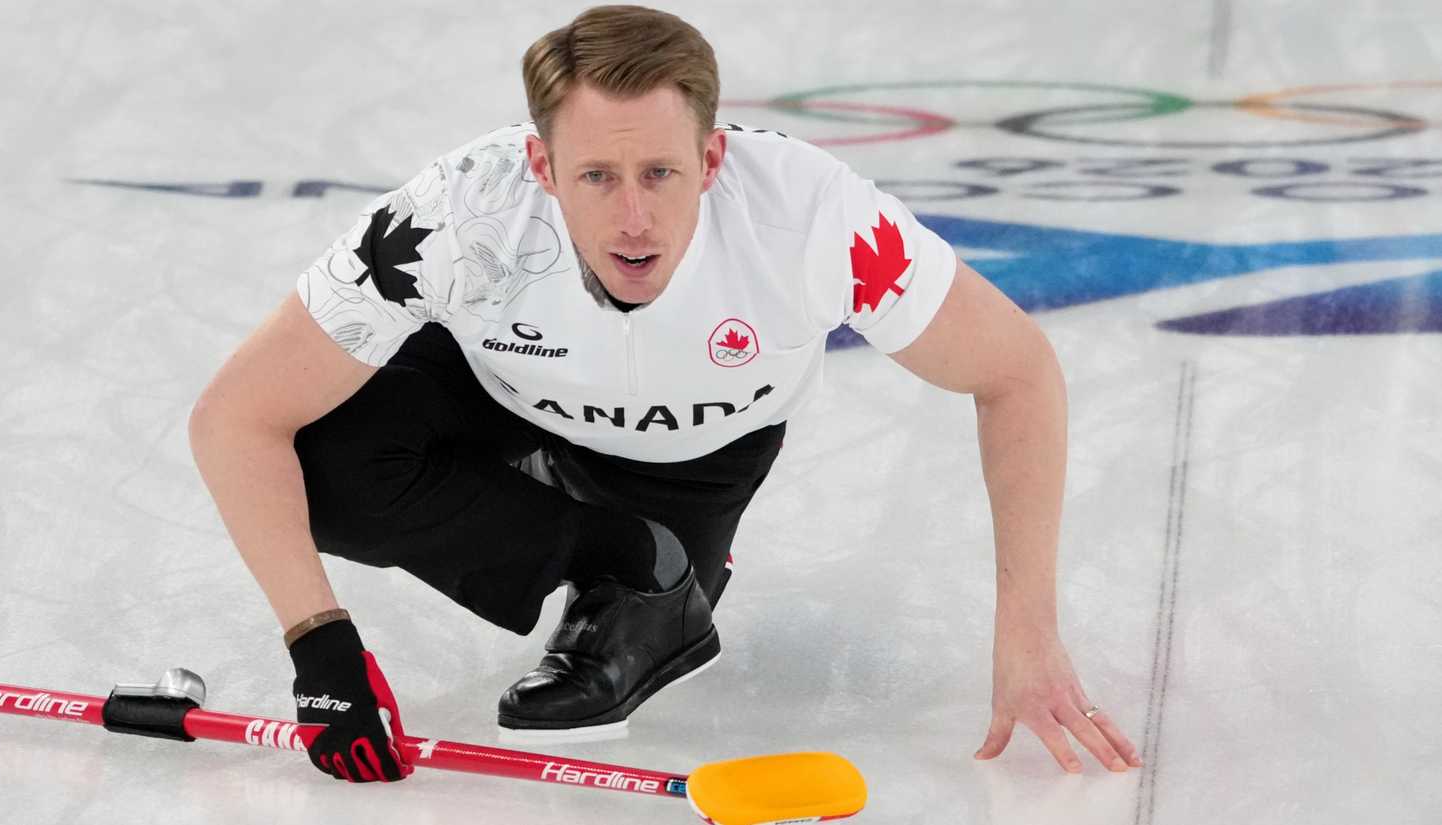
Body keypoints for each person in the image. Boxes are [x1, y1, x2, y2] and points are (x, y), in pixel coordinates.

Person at [188, 4, 1142, 784]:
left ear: (714, 161)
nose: (633, 218)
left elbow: (1015, 372)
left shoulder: (812, 219)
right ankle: (591, 538)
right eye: (596, 176)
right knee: (320, 465)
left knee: (650, 618)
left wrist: (1028, 632)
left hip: (695, 450)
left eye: (661, 173)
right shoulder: (458, 216)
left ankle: (649, 560)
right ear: (540, 167)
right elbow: (236, 418)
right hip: (499, 393)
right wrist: (320, 649)